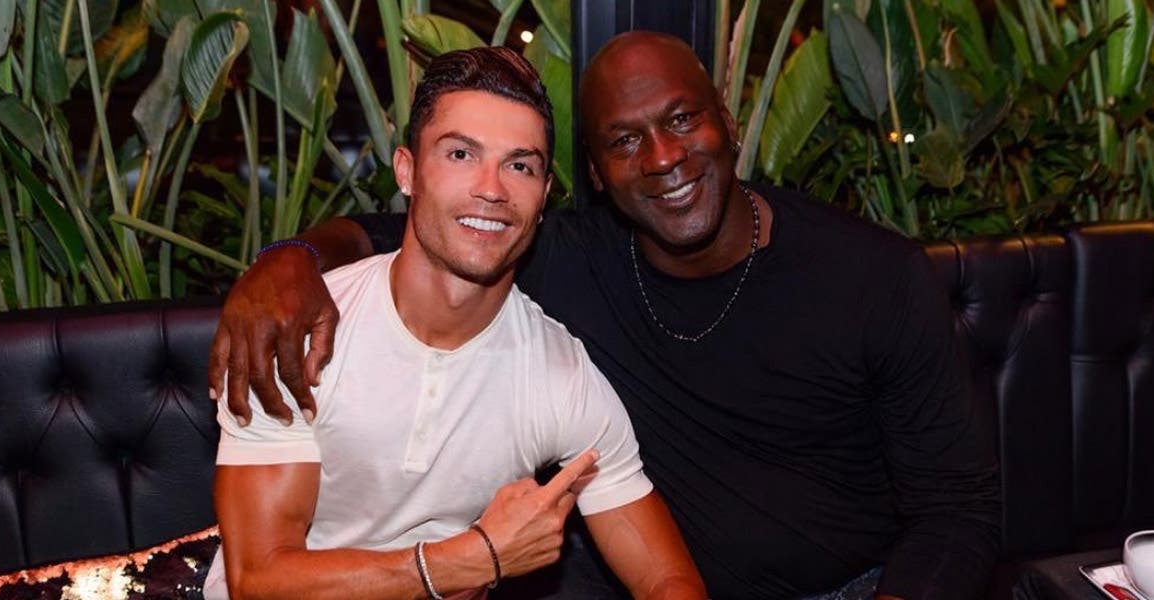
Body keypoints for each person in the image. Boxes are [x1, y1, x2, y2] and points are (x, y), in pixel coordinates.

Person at [210, 32, 1001, 599]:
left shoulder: (873, 276)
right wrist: (288, 258)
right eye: (625, 140)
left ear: (726, 122)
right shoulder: (560, 259)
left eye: (682, 120)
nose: (662, 157)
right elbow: (431, 230)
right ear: (595, 174)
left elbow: (958, 511)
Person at [201, 46, 706, 600]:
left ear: (542, 198)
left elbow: (666, 578)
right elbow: (260, 579)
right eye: (461, 154)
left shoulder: (559, 375)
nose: (492, 188)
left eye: (520, 165)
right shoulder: (299, 329)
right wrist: (469, 560)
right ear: (407, 172)